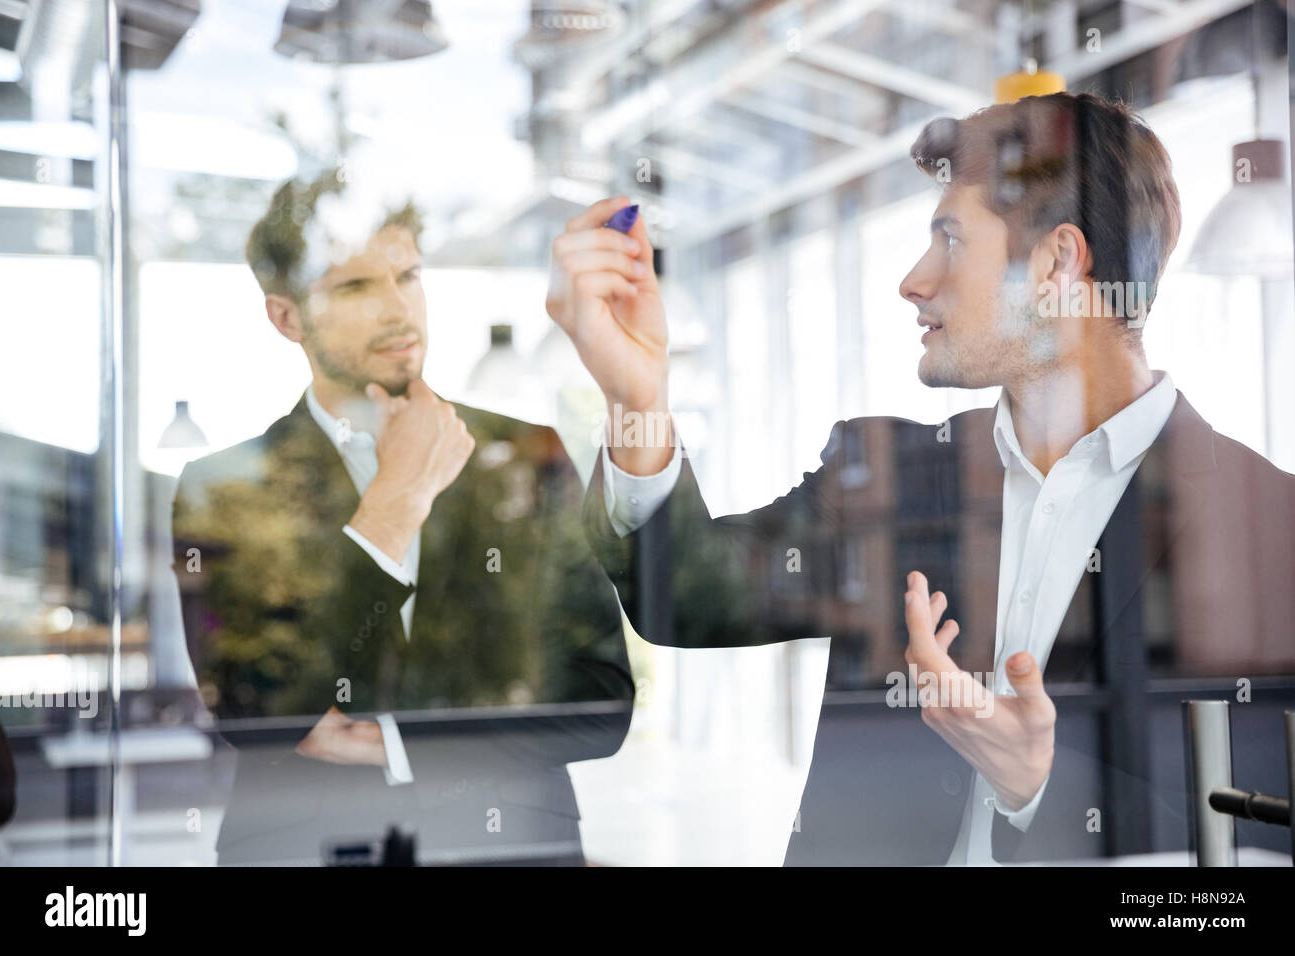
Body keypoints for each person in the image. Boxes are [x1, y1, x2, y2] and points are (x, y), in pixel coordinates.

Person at [545, 92, 1295, 864]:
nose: (913, 279)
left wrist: (1039, 788)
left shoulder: (1271, 526)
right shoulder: (890, 475)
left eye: (949, 239)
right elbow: (685, 604)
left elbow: (1258, 833)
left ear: (1056, 263)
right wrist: (638, 400)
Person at [172, 171, 634, 865]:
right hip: (307, 851)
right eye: (355, 286)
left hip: (511, 849)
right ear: (286, 317)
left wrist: (396, 742)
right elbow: (265, 714)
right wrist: (396, 503)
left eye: (409, 276)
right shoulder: (224, 486)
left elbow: (599, 704)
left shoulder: (526, 455)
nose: (398, 309)